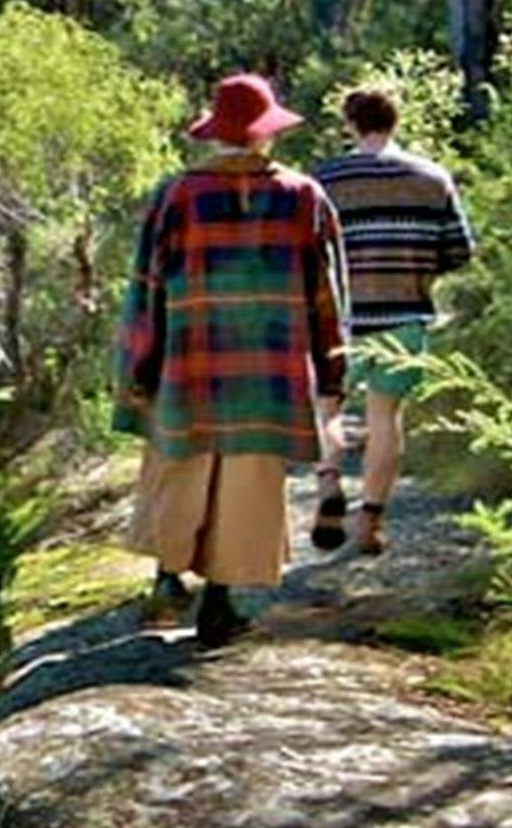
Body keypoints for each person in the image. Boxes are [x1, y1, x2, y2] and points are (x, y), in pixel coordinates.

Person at [114, 73, 349, 646]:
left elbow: (145, 288)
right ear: (265, 135)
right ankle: (219, 605)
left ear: (213, 134)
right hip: (267, 373)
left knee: (178, 467)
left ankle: (168, 579)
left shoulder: (176, 195)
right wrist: (332, 367)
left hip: (186, 363)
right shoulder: (302, 197)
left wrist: (137, 372)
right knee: (248, 485)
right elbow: (326, 294)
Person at [309, 87, 476, 555]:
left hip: (337, 320)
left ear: (350, 124)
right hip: (404, 316)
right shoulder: (432, 177)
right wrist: (416, 267)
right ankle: (371, 522)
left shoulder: (324, 178)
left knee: (327, 408)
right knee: (386, 417)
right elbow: (460, 250)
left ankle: (327, 484)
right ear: (395, 122)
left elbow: (304, 249)